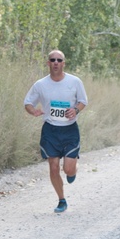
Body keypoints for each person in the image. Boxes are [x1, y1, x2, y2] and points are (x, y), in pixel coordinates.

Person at [24, 50, 88, 213]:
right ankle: (61, 200)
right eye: (52, 60)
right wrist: (34, 111)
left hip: (70, 130)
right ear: (48, 63)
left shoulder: (74, 81)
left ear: (63, 63)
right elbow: (28, 103)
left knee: (68, 169)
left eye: (59, 60)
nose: (56, 62)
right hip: (50, 130)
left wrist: (75, 110)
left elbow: (82, 101)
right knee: (53, 167)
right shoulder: (40, 84)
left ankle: (72, 169)